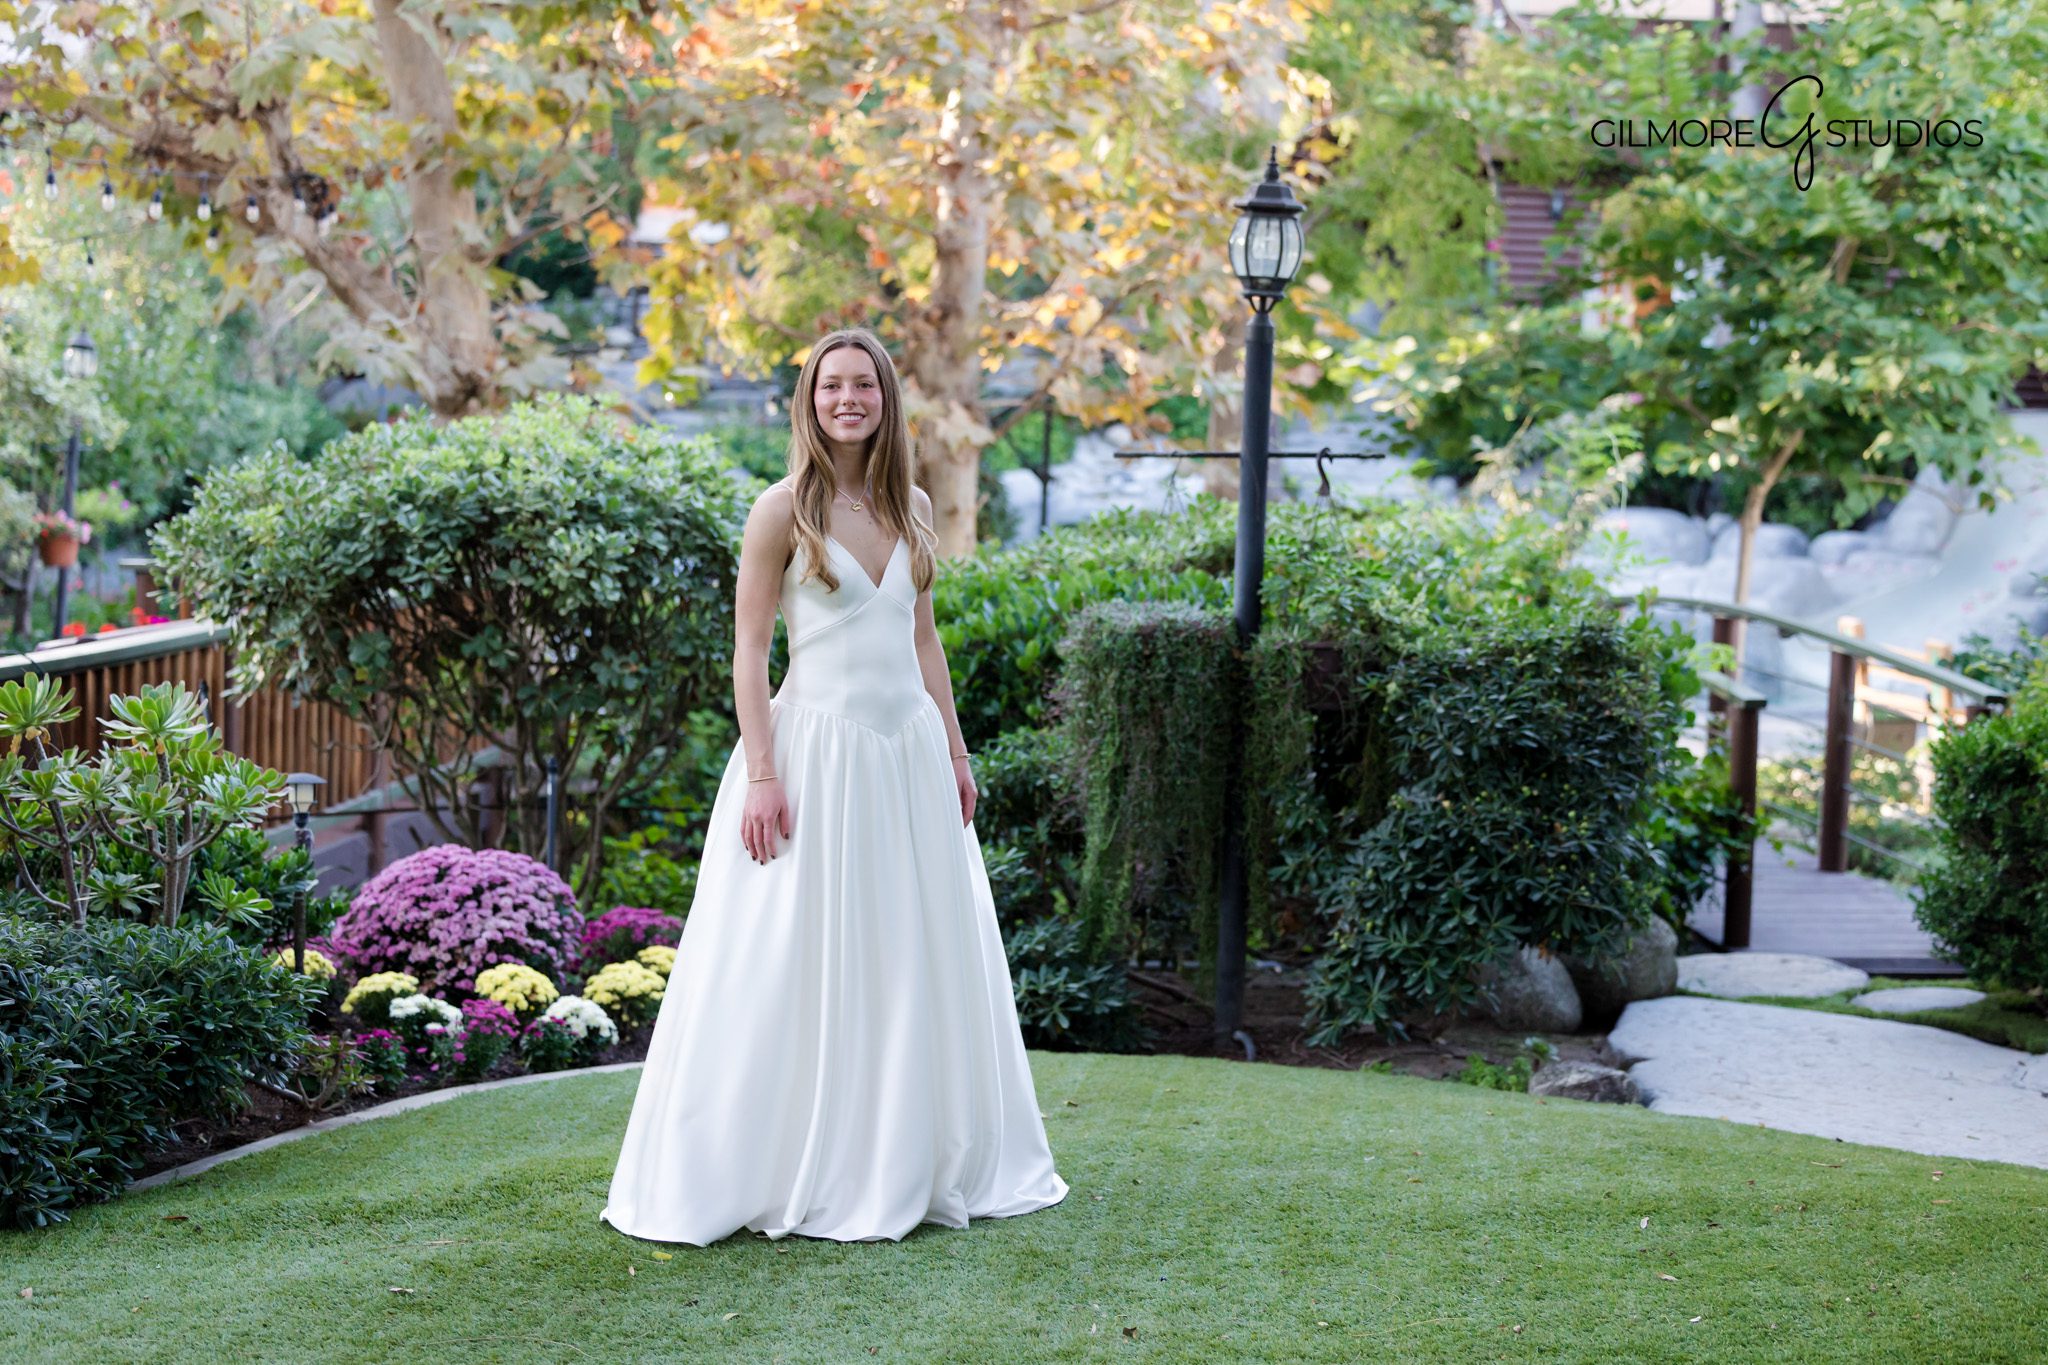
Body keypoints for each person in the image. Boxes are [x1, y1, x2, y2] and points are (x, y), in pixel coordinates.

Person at [600, 327, 1070, 1245]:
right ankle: (778, 1164)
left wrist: (958, 754)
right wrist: (764, 771)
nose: (847, 399)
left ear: (886, 399)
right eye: (831, 386)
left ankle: (909, 1154)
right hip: (815, 758)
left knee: (910, 958)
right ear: (809, 401)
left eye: (863, 385)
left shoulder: (916, 506)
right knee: (791, 959)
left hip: (905, 760)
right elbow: (747, 653)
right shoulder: (781, 510)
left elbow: (922, 639)